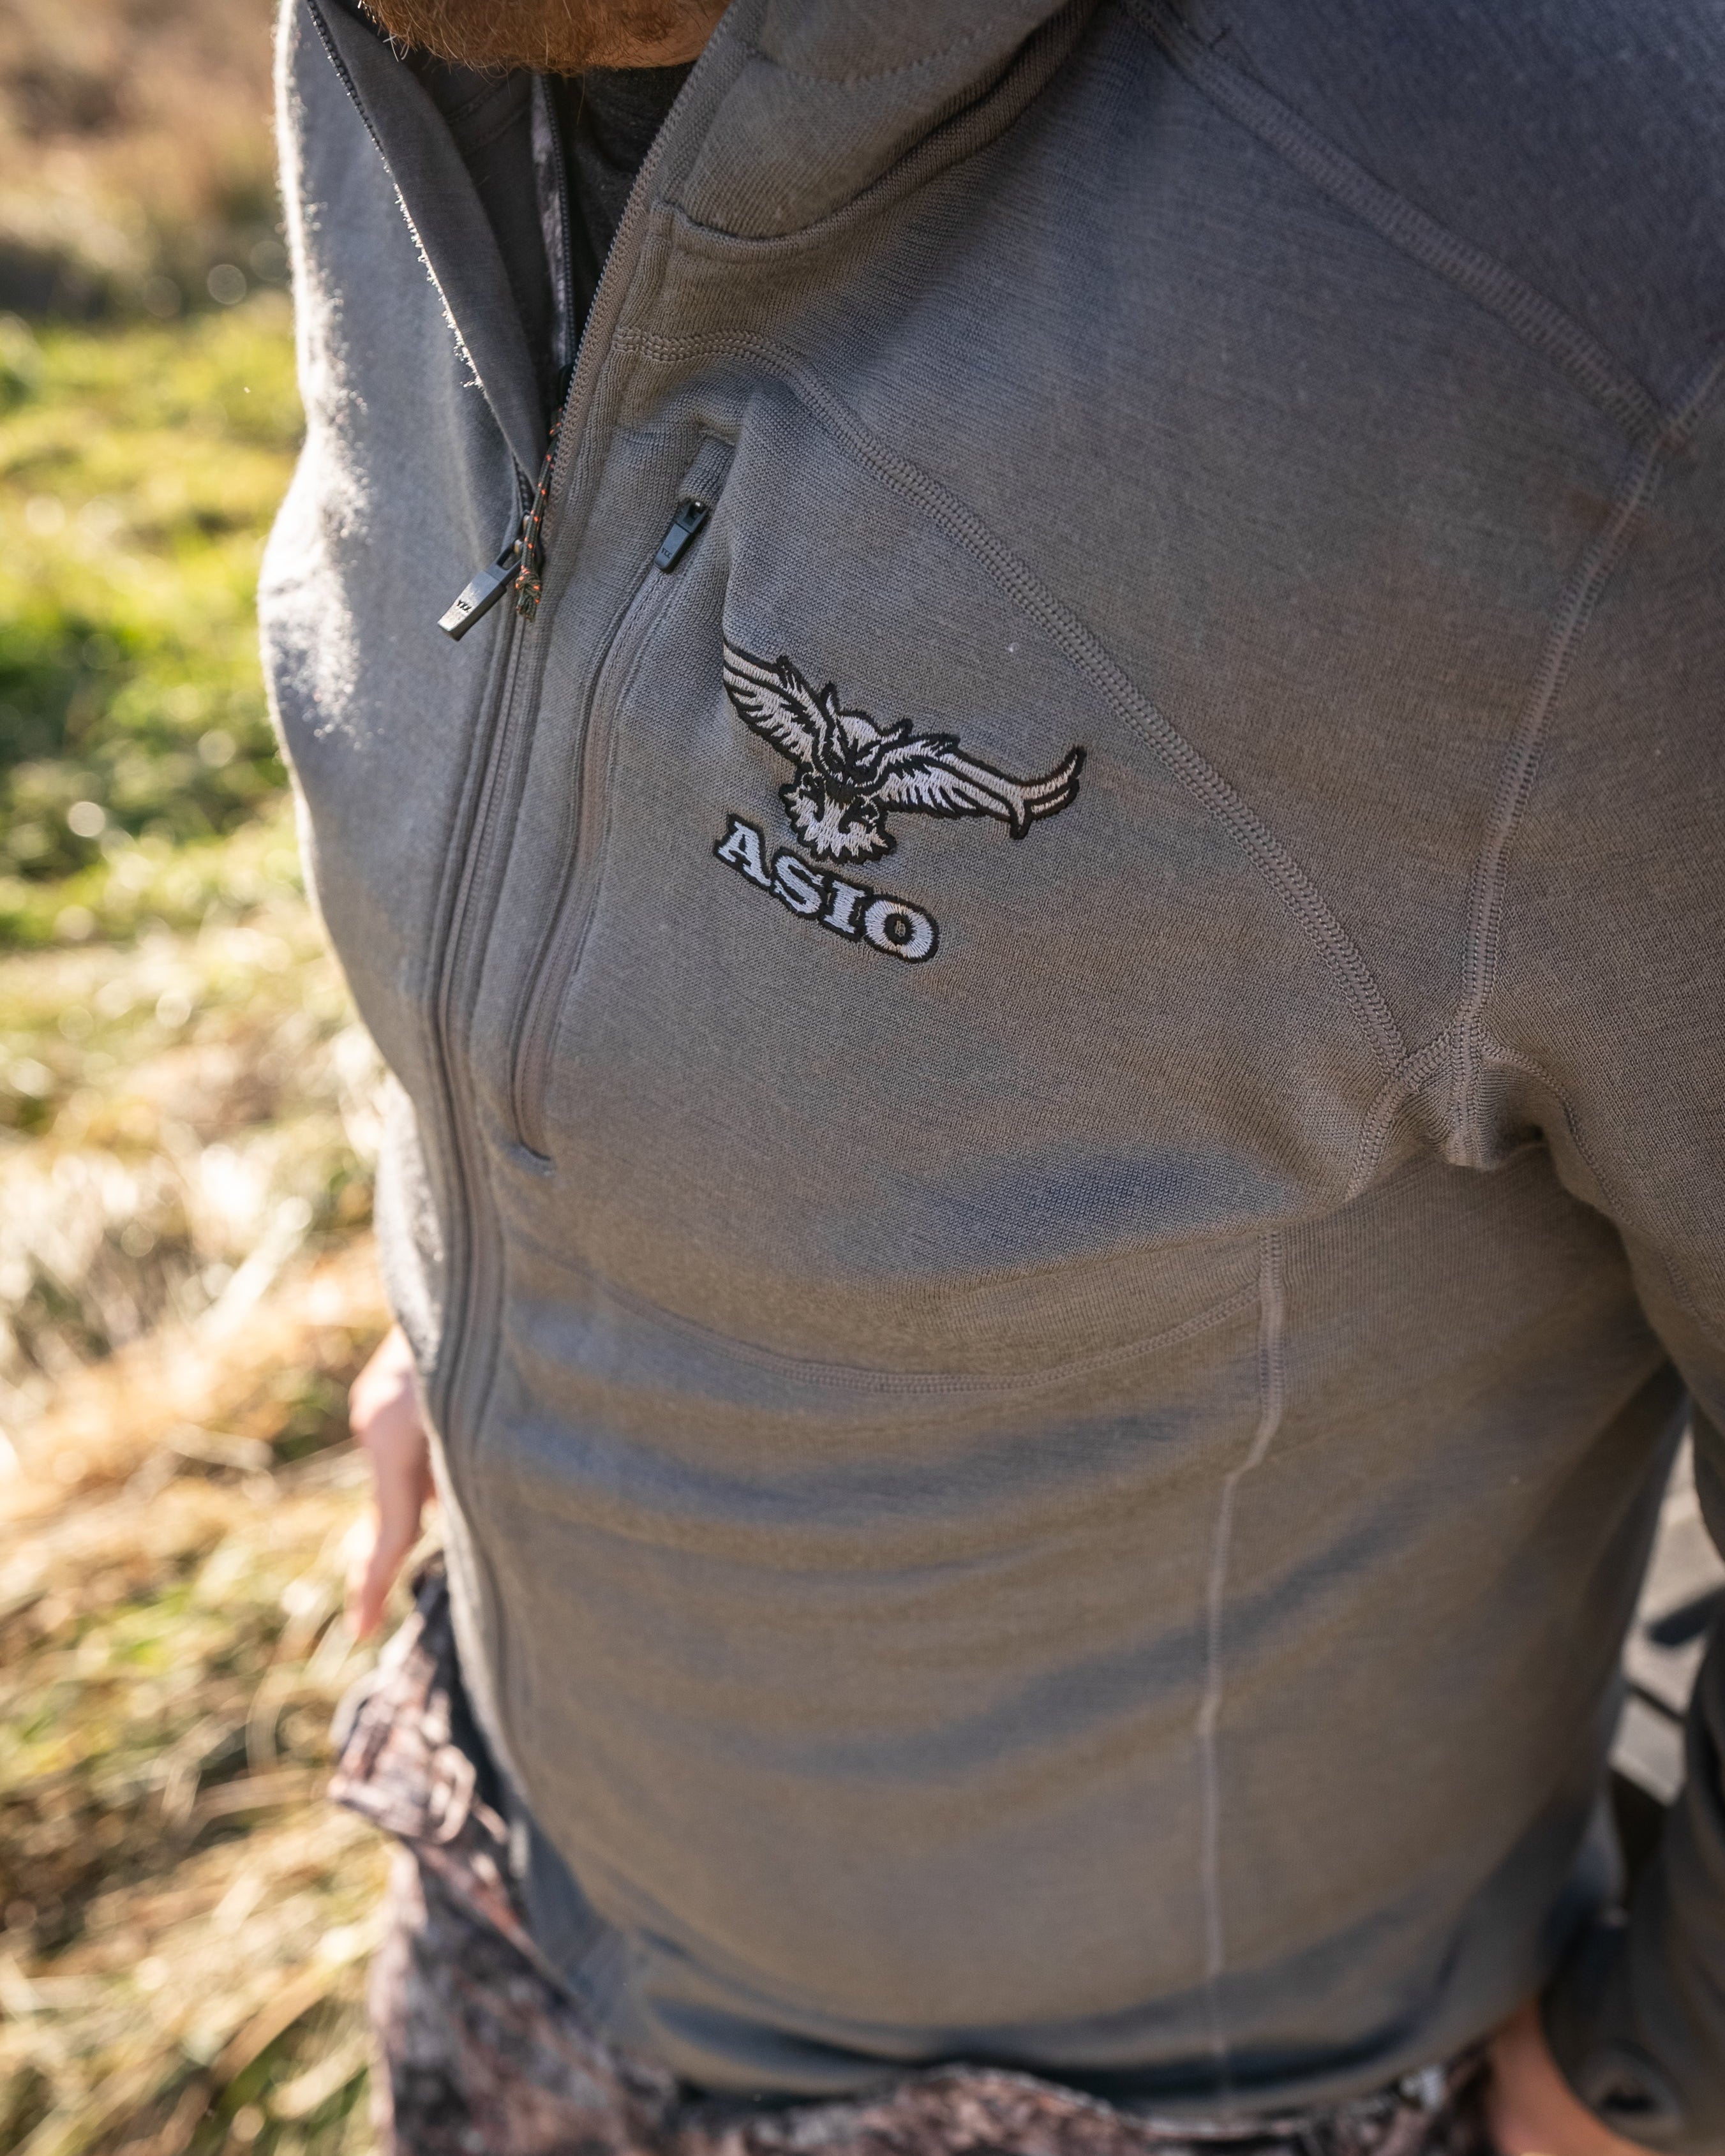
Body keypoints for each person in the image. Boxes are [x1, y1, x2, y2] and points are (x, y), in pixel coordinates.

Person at [260, 1, 1725, 2152]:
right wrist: (499, 1262)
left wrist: (1654, 2071)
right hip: (508, 1902)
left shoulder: (1585, 281)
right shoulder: (402, 35)